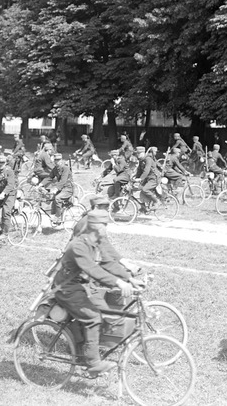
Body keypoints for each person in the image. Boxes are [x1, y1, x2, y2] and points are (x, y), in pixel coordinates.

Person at [52, 209, 139, 375]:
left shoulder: (95, 242)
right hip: (66, 289)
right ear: (97, 227)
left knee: (103, 310)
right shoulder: (78, 245)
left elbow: (107, 263)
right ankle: (93, 363)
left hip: (82, 286)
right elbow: (93, 269)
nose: (107, 228)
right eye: (105, 224)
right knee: (93, 318)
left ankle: (82, 350)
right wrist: (118, 282)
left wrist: (129, 277)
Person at [0, 154, 16, 239]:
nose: (0, 164)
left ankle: (5, 233)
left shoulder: (9, 171)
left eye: (2, 162)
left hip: (10, 194)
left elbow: (10, 185)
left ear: (5, 163)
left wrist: (4, 193)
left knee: (6, 212)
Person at [48, 153, 75, 223]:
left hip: (68, 189)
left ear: (61, 160)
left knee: (58, 198)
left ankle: (58, 217)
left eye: (58, 160)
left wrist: (56, 188)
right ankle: (53, 215)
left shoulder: (65, 168)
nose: (57, 162)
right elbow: (49, 178)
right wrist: (40, 184)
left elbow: (63, 180)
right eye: (55, 160)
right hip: (62, 188)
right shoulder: (55, 169)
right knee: (52, 198)